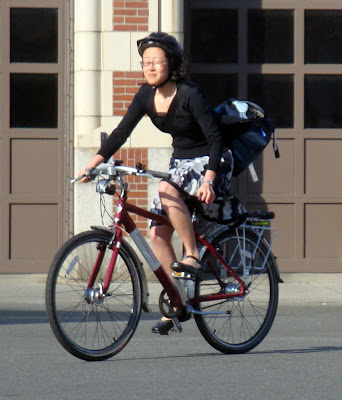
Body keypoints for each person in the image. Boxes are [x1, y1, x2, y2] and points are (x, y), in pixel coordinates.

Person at [78, 32, 232, 335]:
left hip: (212, 162)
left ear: (171, 64)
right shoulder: (146, 95)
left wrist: (210, 180)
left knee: (164, 189)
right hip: (181, 163)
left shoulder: (190, 94)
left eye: (156, 62)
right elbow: (121, 132)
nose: (149, 67)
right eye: (145, 62)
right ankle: (178, 302)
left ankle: (192, 255)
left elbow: (216, 139)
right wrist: (95, 161)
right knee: (157, 234)